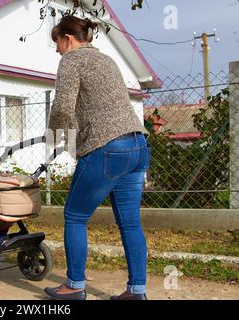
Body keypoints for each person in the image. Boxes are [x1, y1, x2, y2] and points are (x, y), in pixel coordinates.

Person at [44, 15, 151, 300]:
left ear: (68, 39)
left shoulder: (71, 60)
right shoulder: (107, 60)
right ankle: (136, 291)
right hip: (138, 145)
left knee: (75, 216)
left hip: (108, 147)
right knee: (130, 223)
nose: (56, 51)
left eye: (57, 44)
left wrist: (53, 138)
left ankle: (74, 285)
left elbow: (63, 106)